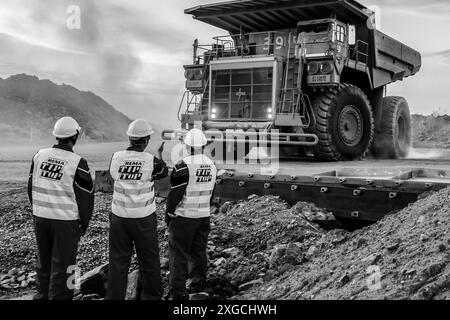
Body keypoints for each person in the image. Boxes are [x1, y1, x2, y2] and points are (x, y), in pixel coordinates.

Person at [28, 117, 94, 300]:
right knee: (67, 267)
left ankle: (41, 296)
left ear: (56, 136)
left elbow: (30, 187)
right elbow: (86, 198)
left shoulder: (39, 155)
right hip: (65, 222)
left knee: (43, 262)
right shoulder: (77, 162)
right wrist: (83, 224)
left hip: (40, 218)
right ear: (76, 136)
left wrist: (37, 211)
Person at [106, 119, 168, 300]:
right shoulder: (152, 162)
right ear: (147, 139)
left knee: (118, 262)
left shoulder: (116, 158)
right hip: (143, 219)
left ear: (130, 138)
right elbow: (163, 176)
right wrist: (160, 155)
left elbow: (112, 176)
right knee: (149, 262)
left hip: (119, 218)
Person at [166, 128, 217, 300]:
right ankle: (197, 285)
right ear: (203, 145)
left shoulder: (183, 165)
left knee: (178, 254)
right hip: (203, 216)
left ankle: (178, 292)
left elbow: (174, 194)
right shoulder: (211, 165)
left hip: (184, 217)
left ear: (187, 146)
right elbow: (211, 192)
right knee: (199, 252)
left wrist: (169, 213)